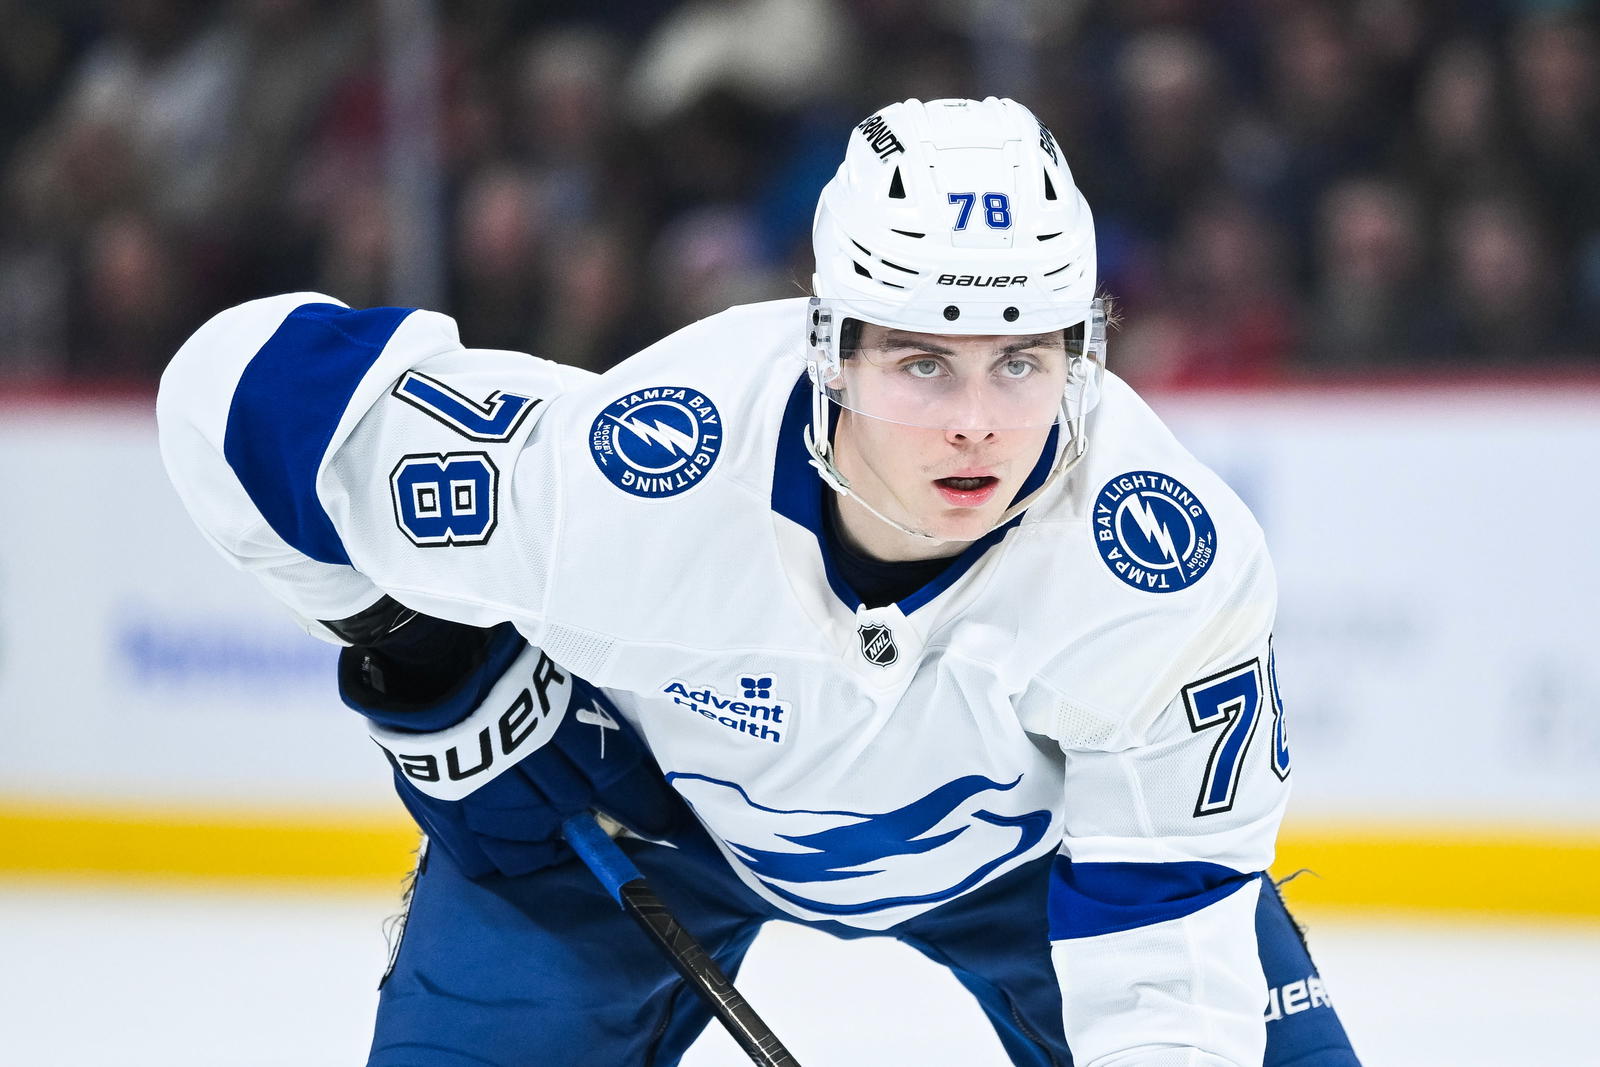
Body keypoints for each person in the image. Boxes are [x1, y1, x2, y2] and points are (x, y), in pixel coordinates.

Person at [157, 97, 1359, 1066]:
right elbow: (228, 396)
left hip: (1045, 868)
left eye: (1023, 360)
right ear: (828, 346)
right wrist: (430, 656)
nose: (980, 428)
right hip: (640, 821)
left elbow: (1160, 945)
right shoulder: (633, 485)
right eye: (923, 361)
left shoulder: (1157, 564)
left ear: (1083, 352)